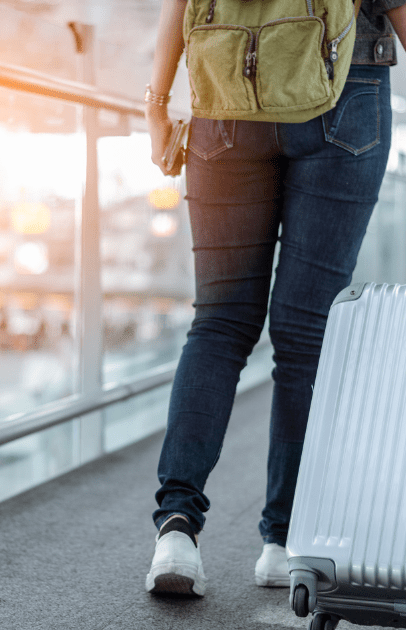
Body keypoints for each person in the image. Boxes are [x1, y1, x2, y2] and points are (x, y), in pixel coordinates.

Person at [144, 0, 406, 597]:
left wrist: (157, 106)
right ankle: (284, 540)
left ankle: (177, 532)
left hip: (225, 95)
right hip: (344, 89)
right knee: (306, 333)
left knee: (218, 323)